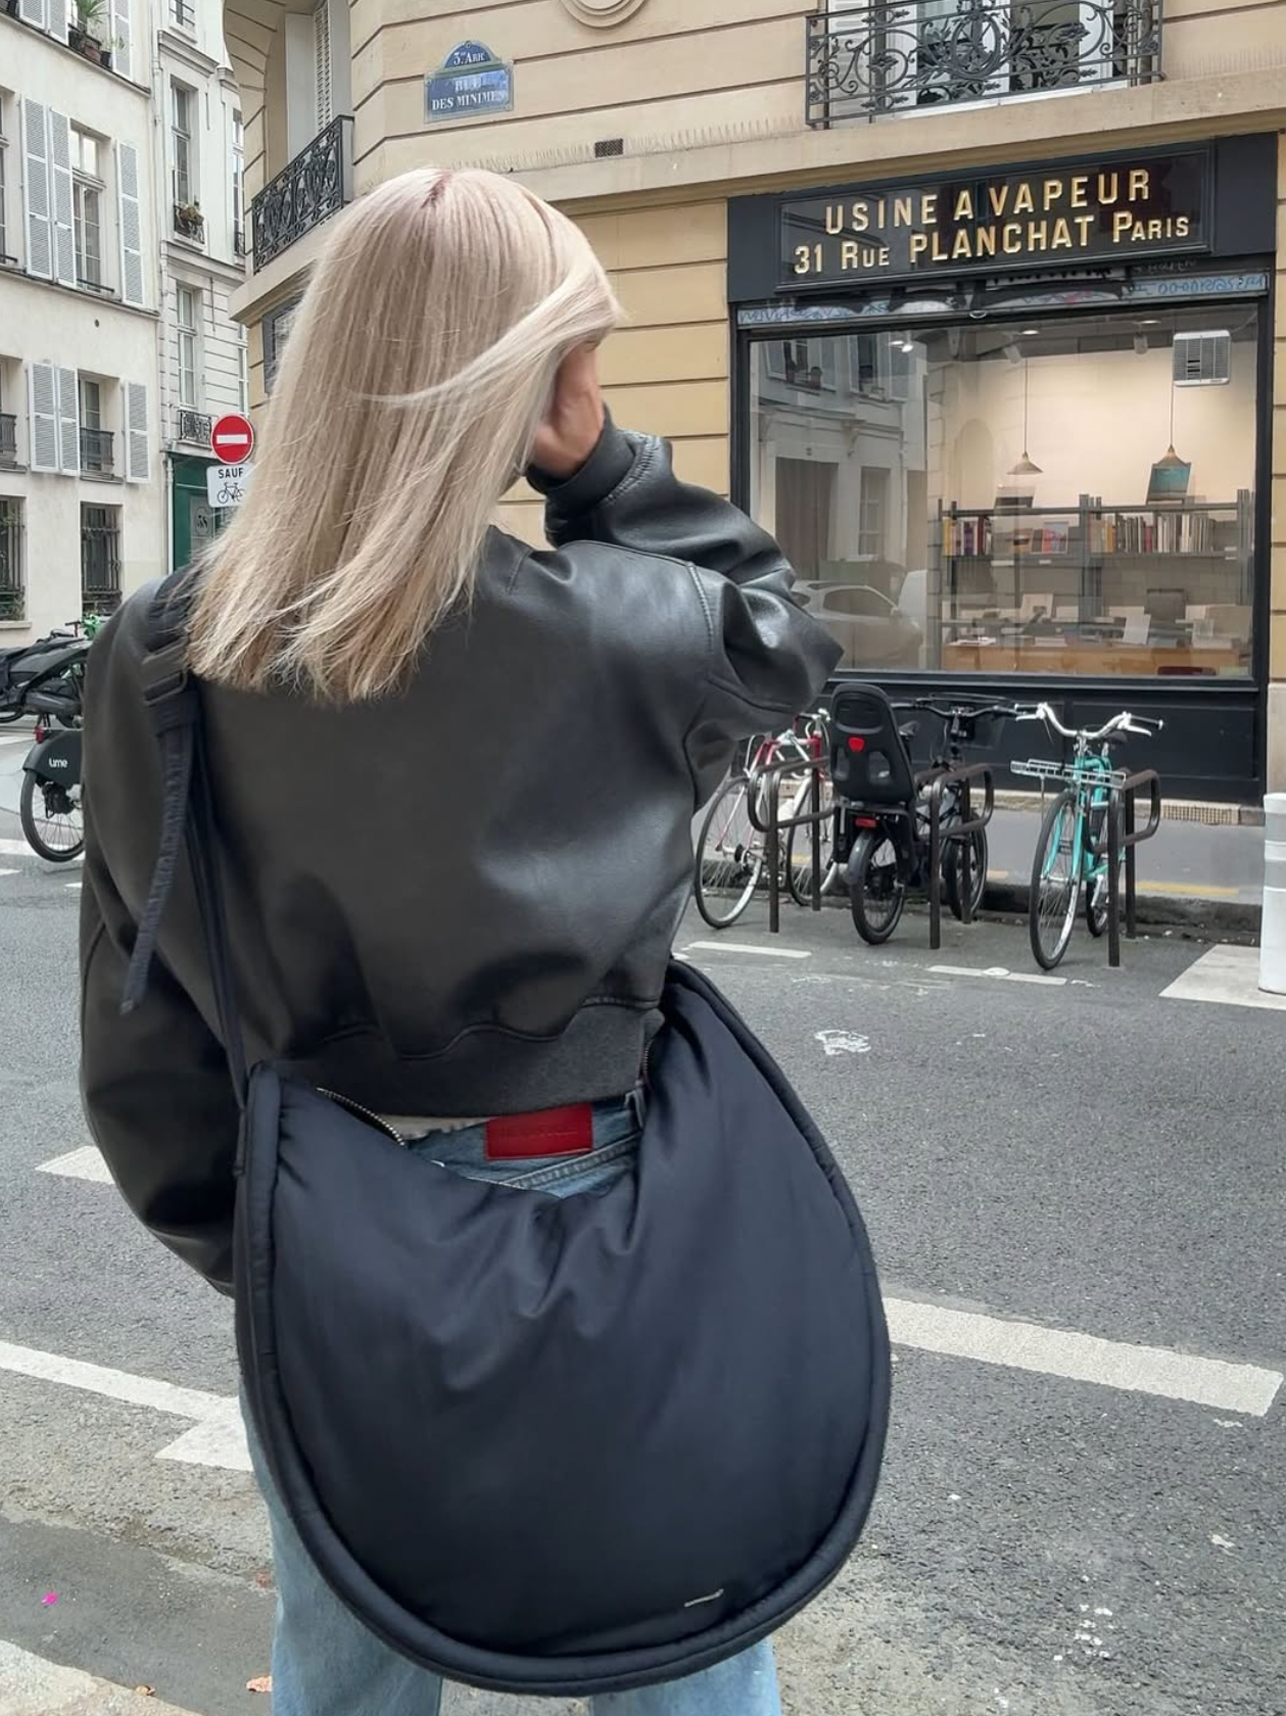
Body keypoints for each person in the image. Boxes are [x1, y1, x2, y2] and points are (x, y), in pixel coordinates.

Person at [79, 167, 840, 1716]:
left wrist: (250, 1245)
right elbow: (783, 634)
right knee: (676, 1639)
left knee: (350, 1665)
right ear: (530, 380)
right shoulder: (620, 623)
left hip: (328, 1204)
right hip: (602, 1192)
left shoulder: (170, 645)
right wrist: (602, 464)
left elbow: (139, 999)